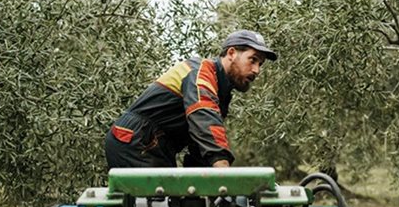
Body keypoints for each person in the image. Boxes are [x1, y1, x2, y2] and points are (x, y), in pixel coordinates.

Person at [105, 30, 277, 169]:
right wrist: (224, 170)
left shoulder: (221, 92)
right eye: (252, 60)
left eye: (260, 64)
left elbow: (199, 142)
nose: (256, 70)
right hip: (135, 140)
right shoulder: (202, 71)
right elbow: (203, 116)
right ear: (231, 53)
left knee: (181, 205)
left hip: (155, 146)